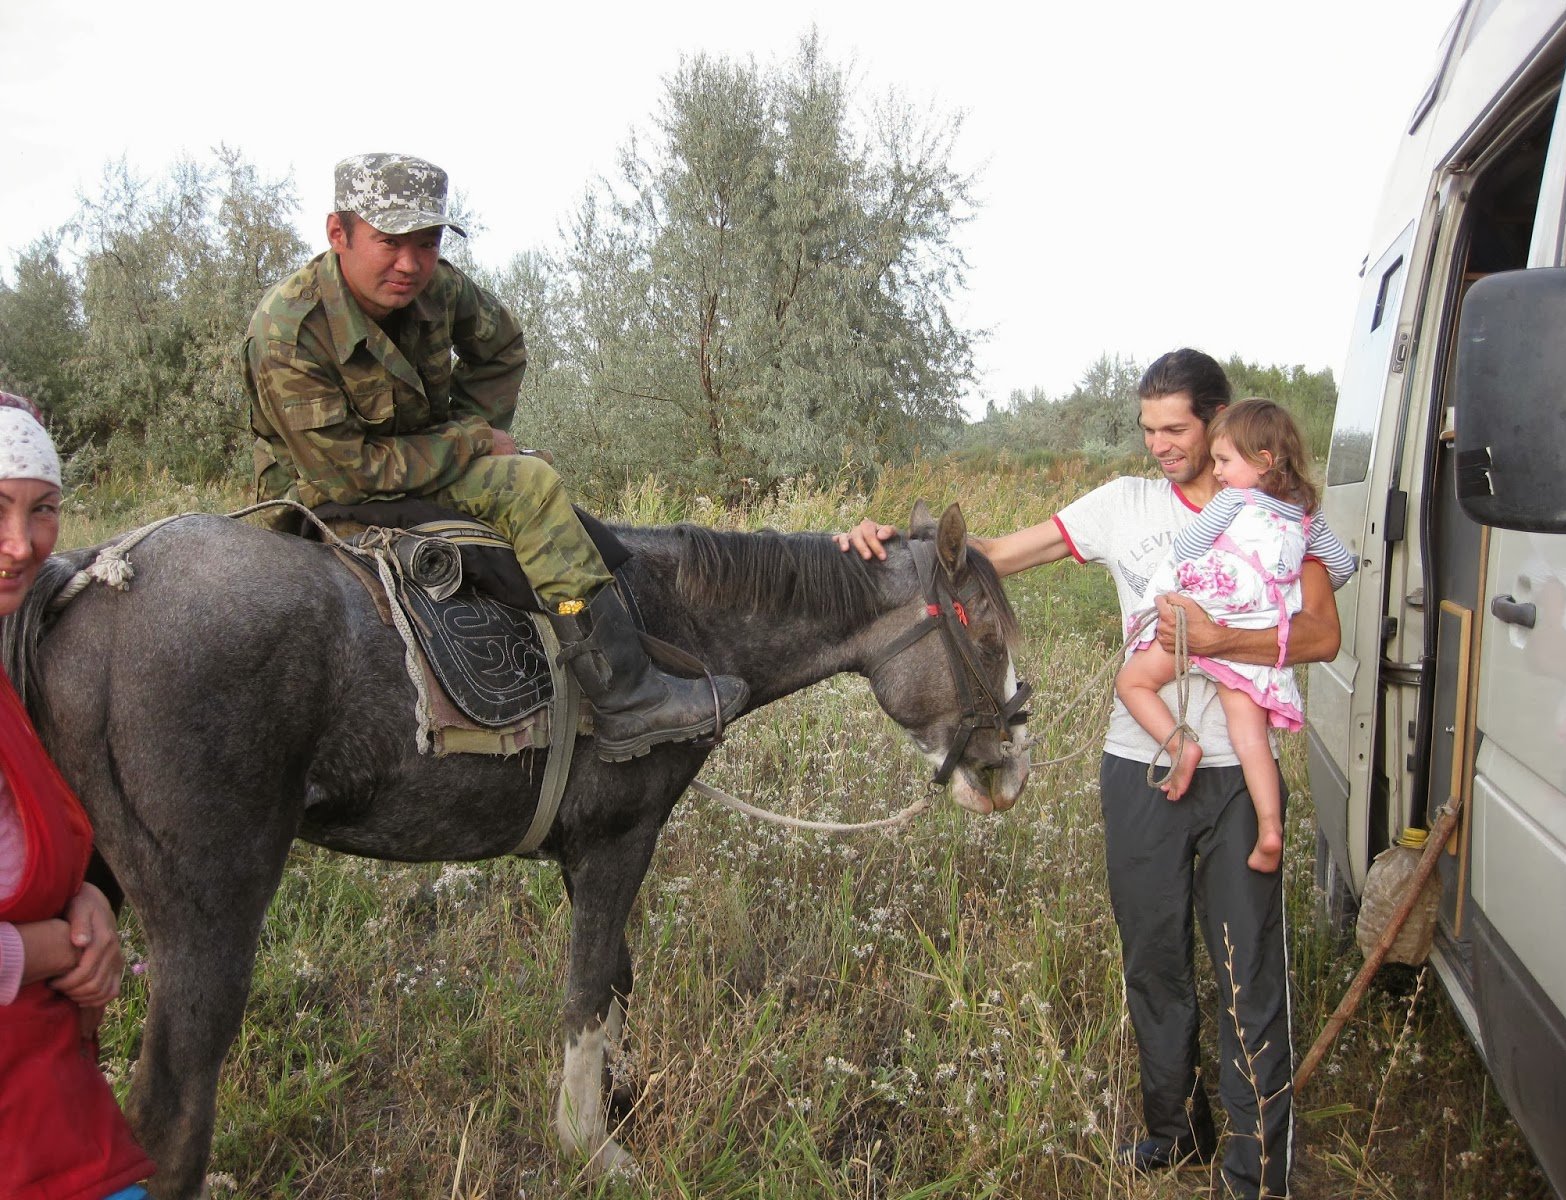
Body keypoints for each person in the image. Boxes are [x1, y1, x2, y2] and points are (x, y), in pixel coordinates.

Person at [838, 349, 1340, 1199]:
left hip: (1236, 774)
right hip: (1137, 767)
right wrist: (884, 541)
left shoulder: (1278, 510)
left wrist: (1221, 644)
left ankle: (1258, 1176)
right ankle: (1174, 1135)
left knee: (1248, 967)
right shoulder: (1122, 504)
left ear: (1219, 422)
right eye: (1147, 429)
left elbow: (1323, 634)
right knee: (1154, 961)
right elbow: (991, 552)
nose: (1158, 446)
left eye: (1175, 429)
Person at [242, 153, 746, 761]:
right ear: (337, 233)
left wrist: (465, 423)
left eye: (425, 243)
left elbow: (502, 346)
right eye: (389, 242)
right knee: (527, 485)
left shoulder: (439, 289)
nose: (410, 264)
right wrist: (473, 443)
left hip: (417, 469)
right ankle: (628, 698)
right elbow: (347, 471)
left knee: (546, 502)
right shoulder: (288, 330)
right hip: (330, 495)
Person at [0, 397, 155, 1199]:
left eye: (44, 510)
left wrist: (90, 892)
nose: (22, 546)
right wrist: (64, 946)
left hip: (46, 1102)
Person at [1116, 398, 1355, 873]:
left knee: (1131, 683)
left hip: (1200, 621)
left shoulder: (1234, 500)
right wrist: (1286, 585)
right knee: (1251, 740)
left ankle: (1180, 747)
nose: (1219, 472)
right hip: (1254, 641)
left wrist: (1162, 599)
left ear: (1264, 461)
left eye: (1225, 460)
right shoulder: (1307, 515)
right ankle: (1269, 831)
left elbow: (1186, 548)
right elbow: (1342, 568)